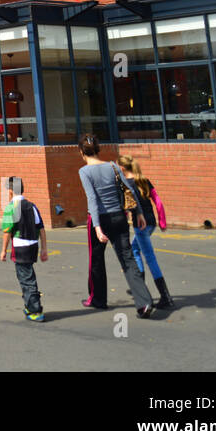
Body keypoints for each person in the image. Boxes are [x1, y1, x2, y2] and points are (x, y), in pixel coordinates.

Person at [78, 135, 155, 317]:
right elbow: (128, 188)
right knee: (127, 259)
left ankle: (98, 299)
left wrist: (97, 226)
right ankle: (144, 302)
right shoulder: (112, 166)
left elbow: (92, 199)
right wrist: (139, 212)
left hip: (100, 220)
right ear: (98, 149)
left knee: (96, 260)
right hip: (119, 217)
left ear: (81, 152)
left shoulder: (85, 171)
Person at [118, 155, 174, 309]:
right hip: (151, 223)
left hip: (140, 224)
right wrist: (162, 221)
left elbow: (126, 206)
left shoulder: (126, 184)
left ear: (122, 168)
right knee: (135, 248)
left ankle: (165, 296)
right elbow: (158, 201)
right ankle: (141, 285)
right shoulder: (143, 180)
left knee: (150, 258)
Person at [0, 176, 48, 322]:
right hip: (33, 245)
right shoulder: (32, 206)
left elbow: (7, 231)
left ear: (10, 191)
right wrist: (44, 249)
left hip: (20, 247)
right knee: (27, 276)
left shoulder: (11, 207)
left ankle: (35, 310)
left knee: (27, 279)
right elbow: (41, 228)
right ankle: (29, 305)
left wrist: (4, 250)